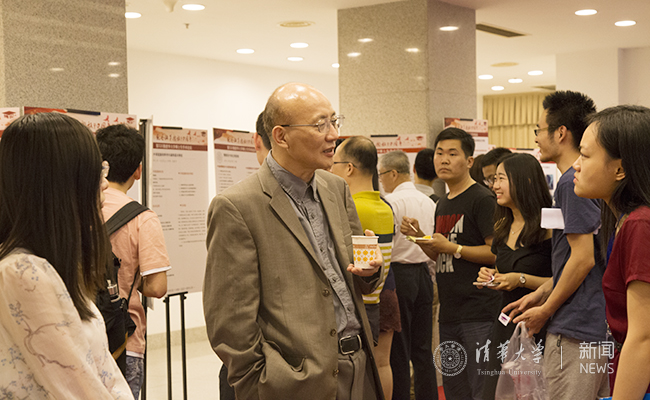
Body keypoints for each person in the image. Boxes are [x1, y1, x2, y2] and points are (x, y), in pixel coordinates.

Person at [203, 82, 384, 400]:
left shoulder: (336, 188)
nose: (333, 135)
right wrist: (261, 383)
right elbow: (229, 321)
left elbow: (356, 275)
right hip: (297, 382)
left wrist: (371, 272)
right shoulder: (237, 206)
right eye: (319, 125)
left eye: (334, 121)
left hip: (361, 367)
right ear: (281, 136)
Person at [0, 112, 133, 399]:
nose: (104, 184)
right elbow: (79, 388)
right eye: (96, 172)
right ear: (61, 183)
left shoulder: (49, 265)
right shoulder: (23, 272)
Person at [503, 90, 609, 400]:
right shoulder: (582, 181)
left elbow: (584, 259)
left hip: (577, 326)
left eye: (539, 130)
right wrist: (541, 293)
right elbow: (580, 258)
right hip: (589, 323)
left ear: (560, 133)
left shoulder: (571, 182)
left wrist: (546, 309)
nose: (536, 138)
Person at [402, 127, 499, 399]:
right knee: (455, 390)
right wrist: (419, 237)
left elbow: (495, 253)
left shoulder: (482, 198)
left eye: (452, 154)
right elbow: (441, 254)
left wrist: (453, 247)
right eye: (439, 153)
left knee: (481, 390)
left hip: (479, 311)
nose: (443, 159)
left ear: (469, 161)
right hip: (449, 313)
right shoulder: (443, 202)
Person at [572, 105, 650, 399]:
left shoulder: (640, 224)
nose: (576, 165)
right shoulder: (622, 220)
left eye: (585, 155)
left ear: (620, 169)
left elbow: (643, 338)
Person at [96, 124, 171, 399]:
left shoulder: (76, 208)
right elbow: (157, 287)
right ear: (138, 171)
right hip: (124, 339)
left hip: (80, 333)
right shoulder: (142, 218)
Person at [475, 153, 553, 400]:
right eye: (493, 179)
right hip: (505, 322)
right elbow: (504, 271)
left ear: (525, 181)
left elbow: (565, 279)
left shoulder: (550, 226)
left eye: (501, 179)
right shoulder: (502, 226)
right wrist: (492, 275)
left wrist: (520, 279)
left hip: (539, 324)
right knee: (494, 392)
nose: (494, 186)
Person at [331, 136, 401, 400]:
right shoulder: (384, 205)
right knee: (383, 364)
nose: (330, 169)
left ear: (349, 168)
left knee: (362, 371)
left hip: (364, 302)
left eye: (334, 163)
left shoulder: (353, 207)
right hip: (384, 294)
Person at [219, 110, 272, 400]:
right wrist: (251, 373)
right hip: (260, 368)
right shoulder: (234, 204)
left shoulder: (331, 192)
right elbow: (230, 308)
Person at [378, 150, 437, 400]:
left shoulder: (391, 202)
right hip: (424, 275)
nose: (381, 181)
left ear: (393, 173)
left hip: (399, 275)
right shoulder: (429, 202)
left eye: (382, 175)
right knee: (423, 349)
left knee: (398, 351)